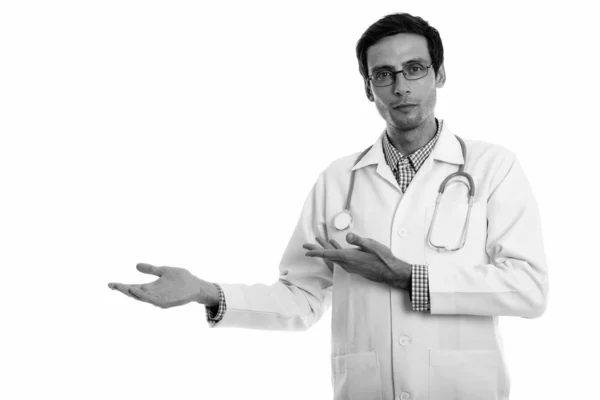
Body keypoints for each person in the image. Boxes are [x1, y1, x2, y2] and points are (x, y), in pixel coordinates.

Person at [109, 12, 548, 400]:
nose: (400, 87)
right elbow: (301, 298)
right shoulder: (338, 179)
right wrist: (206, 291)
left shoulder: (492, 167)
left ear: (440, 74)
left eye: (414, 69)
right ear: (367, 87)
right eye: (384, 74)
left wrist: (410, 277)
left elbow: (529, 288)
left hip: (464, 389)